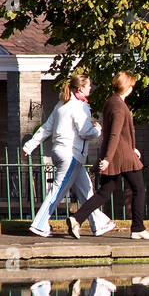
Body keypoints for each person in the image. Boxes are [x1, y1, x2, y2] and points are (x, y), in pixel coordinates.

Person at [22, 72, 116, 239]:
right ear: (80, 89)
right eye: (88, 86)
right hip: (71, 154)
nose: (91, 89)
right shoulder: (78, 106)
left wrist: (30, 145)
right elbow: (85, 131)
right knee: (58, 191)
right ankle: (39, 224)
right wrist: (98, 130)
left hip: (62, 152)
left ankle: (99, 224)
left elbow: (46, 128)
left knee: (86, 190)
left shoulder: (61, 104)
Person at [70, 71, 149, 240]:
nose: (132, 88)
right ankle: (138, 228)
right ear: (128, 87)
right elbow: (114, 135)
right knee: (139, 189)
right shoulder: (119, 106)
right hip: (122, 157)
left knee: (105, 191)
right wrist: (108, 159)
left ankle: (77, 218)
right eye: (131, 85)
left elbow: (118, 133)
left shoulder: (111, 102)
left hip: (121, 153)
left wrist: (132, 148)